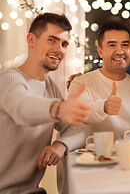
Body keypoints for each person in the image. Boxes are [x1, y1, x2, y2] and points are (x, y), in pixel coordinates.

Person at [0, 13, 90, 194]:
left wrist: (61, 145)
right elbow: (22, 108)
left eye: (64, 44)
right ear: (31, 40)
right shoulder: (8, 78)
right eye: (52, 40)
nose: (59, 49)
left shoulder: (49, 86)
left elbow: (78, 130)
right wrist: (58, 108)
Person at [68, 21, 130, 140]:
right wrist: (104, 107)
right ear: (100, 51)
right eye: (112, 45)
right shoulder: (80, 83)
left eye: (125, 45)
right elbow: (78, 114)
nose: (120, 51)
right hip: (90, 158)